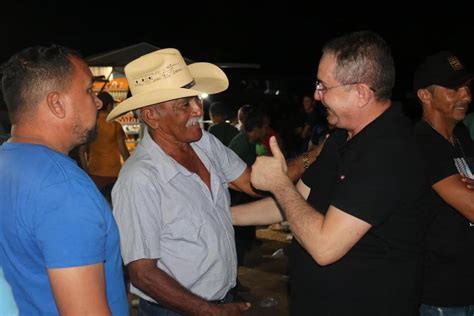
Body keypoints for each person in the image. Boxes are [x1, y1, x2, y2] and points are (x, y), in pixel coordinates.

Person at [108, 48, 317, 315]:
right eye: (184, 104)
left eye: (195, 97)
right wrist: (208, 310)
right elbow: (143, 274)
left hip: (219, 298)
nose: (198, 108)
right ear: (151, 116)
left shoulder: (204, 143)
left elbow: (253, 184)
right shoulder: (140, 179)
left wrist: (313, 157)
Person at [232, 30, 428, 315]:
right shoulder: (341, 138)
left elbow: (325, 247)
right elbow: (295, 202)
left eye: (324, 86)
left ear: (360, 93)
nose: (316, 95)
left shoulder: (390, 151)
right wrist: (222, 215)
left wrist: (278, 183)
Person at [0, 45, 128, 315]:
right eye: (88, 90)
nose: (96, 101)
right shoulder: (64, 190)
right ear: (57, 103)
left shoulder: (7, 162)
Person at [413, 50, 474, 315]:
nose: (467, 96)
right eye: (454, 89)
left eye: (467, 87)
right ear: (425, 95)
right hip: (441, 295)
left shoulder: (461, 136)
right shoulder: (422, 143)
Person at [80, 91, 130, 201]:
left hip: (94, 173)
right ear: (108, 106)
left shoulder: (90, 125)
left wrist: (86, 171)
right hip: (114, 174)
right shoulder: (115, 126)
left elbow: (81, 151)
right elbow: (124, 152)